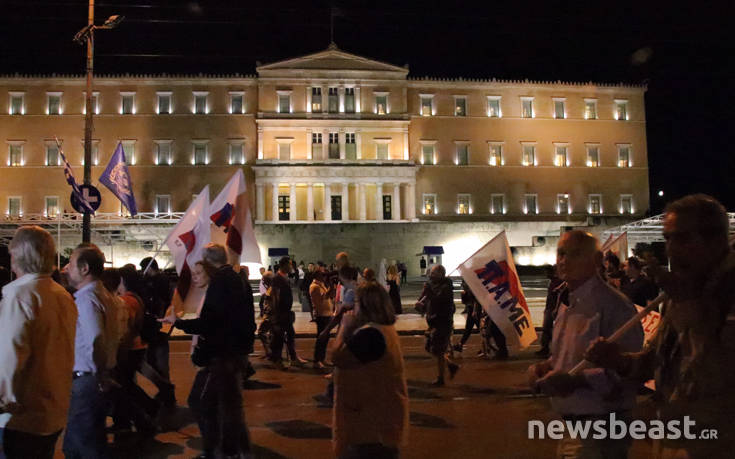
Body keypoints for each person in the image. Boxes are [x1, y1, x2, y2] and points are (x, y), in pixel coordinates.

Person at [585, 194, 735, 458]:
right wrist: (619, 361)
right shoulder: (684, 288)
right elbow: (656, 360)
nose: (671, 250)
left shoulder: (721, 291)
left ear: (716, 240)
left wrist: (689, 304)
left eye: (683, 238)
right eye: (668, 239)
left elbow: (718, 369)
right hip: (676, 438)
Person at [527, 231, 643, 459]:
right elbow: (572, 357)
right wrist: (546, 367)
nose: (564, 261)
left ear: (597, 260)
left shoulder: (614, 305)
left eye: (575, 254)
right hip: (571, 425)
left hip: (601, 428)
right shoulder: (567, 301)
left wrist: (575, 381)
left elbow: (629, 371)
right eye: (561, 253)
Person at [162, 244, 253, 459]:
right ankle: (235, 450)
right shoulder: (239, 279)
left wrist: (181, 323)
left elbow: (210, 322)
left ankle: (219, 450)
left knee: (205, 402)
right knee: (229, 405)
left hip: (223, 355)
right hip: (235, 352)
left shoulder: (221, 282)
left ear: (208, 261)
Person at [0, 226, 77, 459]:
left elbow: (10, 355)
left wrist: (3, 399)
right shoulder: (61, 294)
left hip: (21, 417)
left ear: (19, 255)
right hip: (53, 408)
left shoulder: (19, 295)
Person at [332, 282, 408, 459]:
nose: (353, 306)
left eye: (357, 301)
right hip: (382, 419)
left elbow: (337, 357)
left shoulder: (370, 335)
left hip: (369, 427)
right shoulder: (384, 330)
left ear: (365, 305)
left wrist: (344, 327)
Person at [63, 243, 121, 459]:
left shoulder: (87, 299)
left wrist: (100, 373)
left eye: (70, 264)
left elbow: (96, 339)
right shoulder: (104, 295)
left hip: (88, 379)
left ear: (84, 268)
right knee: (90, 440)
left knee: (82, 445)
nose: (66, 269)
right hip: (95, 378)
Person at [139, 258, 175, 408]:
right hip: (159, 327)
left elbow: (160, 301)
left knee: (157, 361)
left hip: (159, 326)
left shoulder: (158, 282)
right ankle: (165, 391)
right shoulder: (160, 281)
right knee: (155, 360)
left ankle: (167, 392)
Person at [416, 265, 459, 386]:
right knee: (430, 348)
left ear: (441, 274)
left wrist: (429, 291)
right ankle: (450, 365)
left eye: (433, 273)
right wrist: (421, 307)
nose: (430, 275)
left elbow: (438, 300)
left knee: (438, 350)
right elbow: (426, 302)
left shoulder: (446, 286)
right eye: (430, 273)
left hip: (443, 322)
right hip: (433, 321)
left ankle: (441, 378)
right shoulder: (431, 285)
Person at [270, 256, 307, 369]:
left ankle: (293, 358)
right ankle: (277, 360)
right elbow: (274, 296)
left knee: (290, 335)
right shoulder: (277, 278)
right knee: (279, 338)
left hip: (286, 312)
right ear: (284, 265)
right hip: (281, 313)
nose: (291, 266)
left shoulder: (284, 277)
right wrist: (275, 314)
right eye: (290, 264)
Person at [536, 265, 564, 358]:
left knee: (547, 329)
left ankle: (548, 349)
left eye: (546, 272)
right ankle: (547, 348)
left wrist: (556, 309)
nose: (545, 274)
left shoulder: (557, 282)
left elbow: (559, 296)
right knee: (547, 329)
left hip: (553, 309)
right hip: (550, 308)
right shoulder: (553, 282)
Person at [310, 271, 334, 369]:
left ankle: (322, 358)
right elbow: (322, 298)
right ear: (317, 276)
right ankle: (317, 360)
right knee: (321, 338)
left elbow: (329, 296)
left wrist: (331, 287)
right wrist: (330, 287)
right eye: (322, 275)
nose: (324, 277)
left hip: (327, 314)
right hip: (321, 315)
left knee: (325, 338)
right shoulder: (314, 287)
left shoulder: (321, 285)